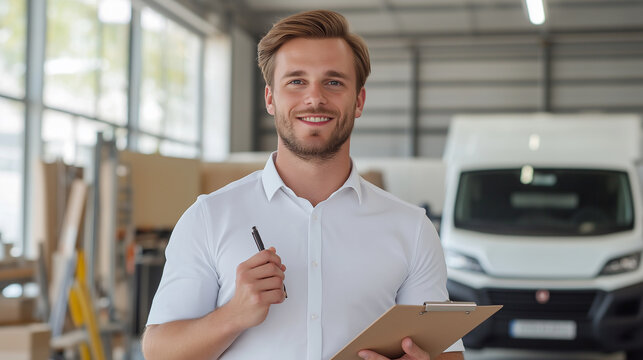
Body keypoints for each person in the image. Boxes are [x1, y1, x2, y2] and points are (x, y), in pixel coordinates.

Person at [142, 9, 464, 360]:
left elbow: (447, 352)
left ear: (358, 101)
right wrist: (233, 315)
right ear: (270, 98)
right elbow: (159, 351)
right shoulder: (208, 217)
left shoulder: (411, 229)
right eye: (296, 81)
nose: (315, 98)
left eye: (334, 82)